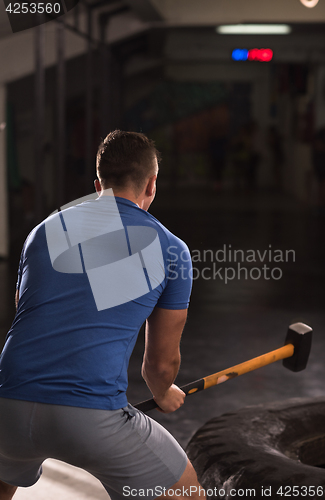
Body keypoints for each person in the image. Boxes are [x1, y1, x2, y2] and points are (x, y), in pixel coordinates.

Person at [0, 130, 205, 500]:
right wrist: (163, 392)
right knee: (187, 493)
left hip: (7, 402)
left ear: (98, 185)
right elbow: (158, 365)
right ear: (152, 185)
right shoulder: (170, 248)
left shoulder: (43, 231)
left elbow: (29, 314)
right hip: (89, 416)